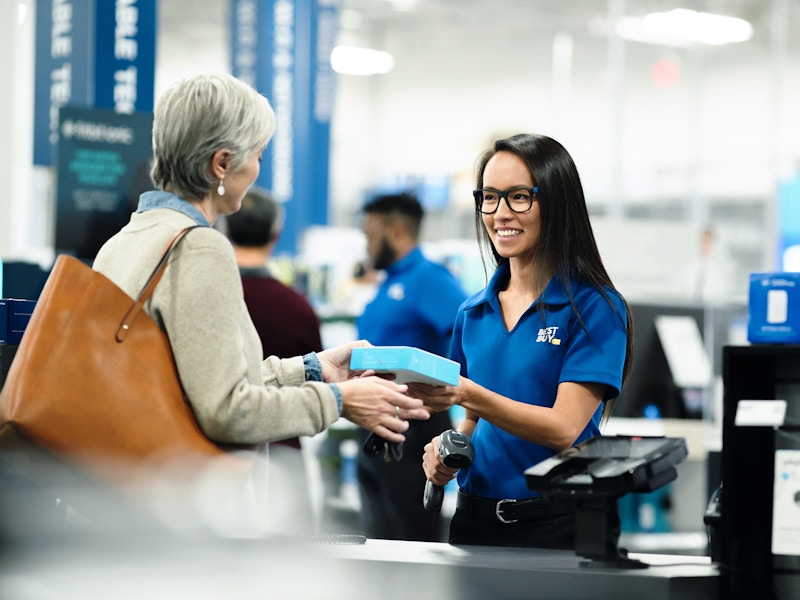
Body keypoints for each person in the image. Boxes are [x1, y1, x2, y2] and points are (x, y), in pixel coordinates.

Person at [91, 73, 429, 510]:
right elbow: (227, 411)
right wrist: (338, 400)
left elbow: (192, 381)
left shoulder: (124, 242)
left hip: (127, 494)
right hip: (187, 510)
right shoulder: (199, 247)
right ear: (221, 164)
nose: (257, 171)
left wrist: (311, 368)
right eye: (257, 156)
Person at [415, 133, 633, 549]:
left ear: (556, 203)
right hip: (475, 522)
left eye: (518, 197)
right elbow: (476, 421)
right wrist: (449, 452)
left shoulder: (595, 307)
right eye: (490, 197)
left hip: (561, 524)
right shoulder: (473, 312)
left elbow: (565, 429)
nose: (500, 214)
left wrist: (467, 394)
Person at [356, 192, 468, 542]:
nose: (366, 244)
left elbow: (468, 339)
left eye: (371, 234)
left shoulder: (429, 279)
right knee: (378, 537)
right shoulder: (388, 281)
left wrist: (449, 392)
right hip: (375, 424)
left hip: (411, 429)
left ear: (397, 230)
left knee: (410, 537)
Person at [225, 187, 323, 532]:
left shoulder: (214, 298)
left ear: (225, 230)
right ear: (275, 235)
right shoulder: (298, 307)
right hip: (285, 452)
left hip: (219, 463)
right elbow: (318, 374)